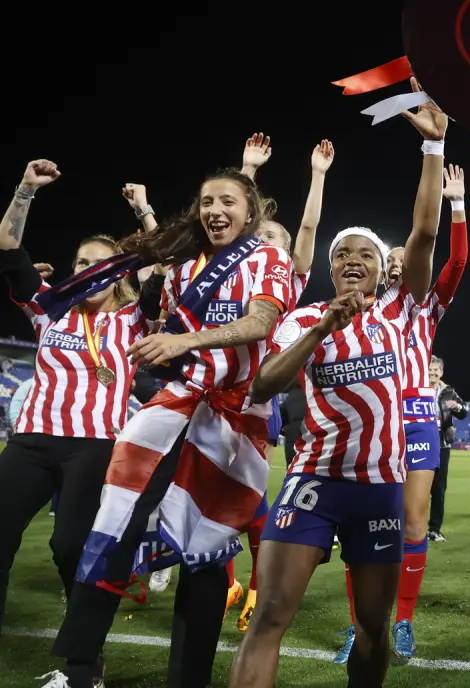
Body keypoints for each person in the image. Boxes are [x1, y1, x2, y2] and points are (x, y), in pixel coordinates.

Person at [44, 161, 293, 688]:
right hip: (175, 404)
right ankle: (80, 666)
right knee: (114, 523)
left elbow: (262, 322)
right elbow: (165, 325)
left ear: (250, 210)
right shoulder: (183, 267)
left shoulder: (269, 257)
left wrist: (184, 341)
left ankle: (189, 677)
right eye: (207, 202)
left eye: (227, 201)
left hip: (233, 420)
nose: (215, 210)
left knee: (206, 551)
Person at [227, 95, 446, 688]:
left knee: (373, 626)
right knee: (268, 619)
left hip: (379, 486)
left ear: (381, 269)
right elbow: (265, 383)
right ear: (330, 269)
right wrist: (323, 328)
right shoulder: (303, 318)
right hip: (314, 480)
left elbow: (425, 232)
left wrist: (433, 146)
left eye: (365, 253)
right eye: (342, 253)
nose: (353, 259)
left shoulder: (401, 312)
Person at [0, 164, 156, 646]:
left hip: (93, 446)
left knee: (70, 546)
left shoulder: (134, 319)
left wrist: (143, 210)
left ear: (118, 273)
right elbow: (8, 246)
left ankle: (83, 648)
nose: (90, 269)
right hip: (30, 441)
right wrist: (25, 190)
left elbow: (163, 269)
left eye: (101, 263)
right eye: (82, 262)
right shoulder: (50, 306)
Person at [326, 162, 467, 663]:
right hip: (372, 419)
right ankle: (358, 626)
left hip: (417, 417)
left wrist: (457, 205)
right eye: (390, 259)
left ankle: (402, 621)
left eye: (400, 258)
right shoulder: (358, 308)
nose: (395, 264)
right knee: (361, 526)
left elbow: (454, 261)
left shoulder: (422, 306)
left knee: (413, 521)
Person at [233, 134, 334, 631]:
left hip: (255, 395)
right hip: (210, 389)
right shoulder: (233, 271)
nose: (265, 240)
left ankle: (257, 584)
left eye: (275, 237)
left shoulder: (288, 278)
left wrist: (317, 175)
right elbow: (232, 220)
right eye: (261, 234)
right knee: (208, 496)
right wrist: (247, 171)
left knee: (249, 494)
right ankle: (226, 581)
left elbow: (309, 225)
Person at [427, 355, 467, 541]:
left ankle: (434, 530)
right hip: (420, 443)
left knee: (438, 489)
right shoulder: (418, 388)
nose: (432, 373)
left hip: (442, 445)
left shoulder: (449, 392)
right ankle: (411, 528)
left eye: (436, 370)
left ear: (441, 372)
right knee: (416, 486)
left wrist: (457, 406)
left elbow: (464, 411)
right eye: (430, 369)